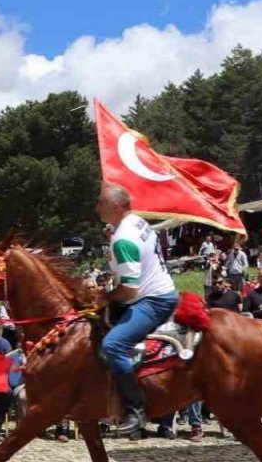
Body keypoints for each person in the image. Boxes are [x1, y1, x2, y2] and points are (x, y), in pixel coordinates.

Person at [95, 183, 179, 437]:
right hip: (154, 291)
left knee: (113, 345)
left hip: (153, 301)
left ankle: (136, 410)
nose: (96, 207)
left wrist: (104, 298)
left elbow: (129, 291)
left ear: (115, 206)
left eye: (100, 202)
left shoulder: (124, 239)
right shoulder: (138, 222)